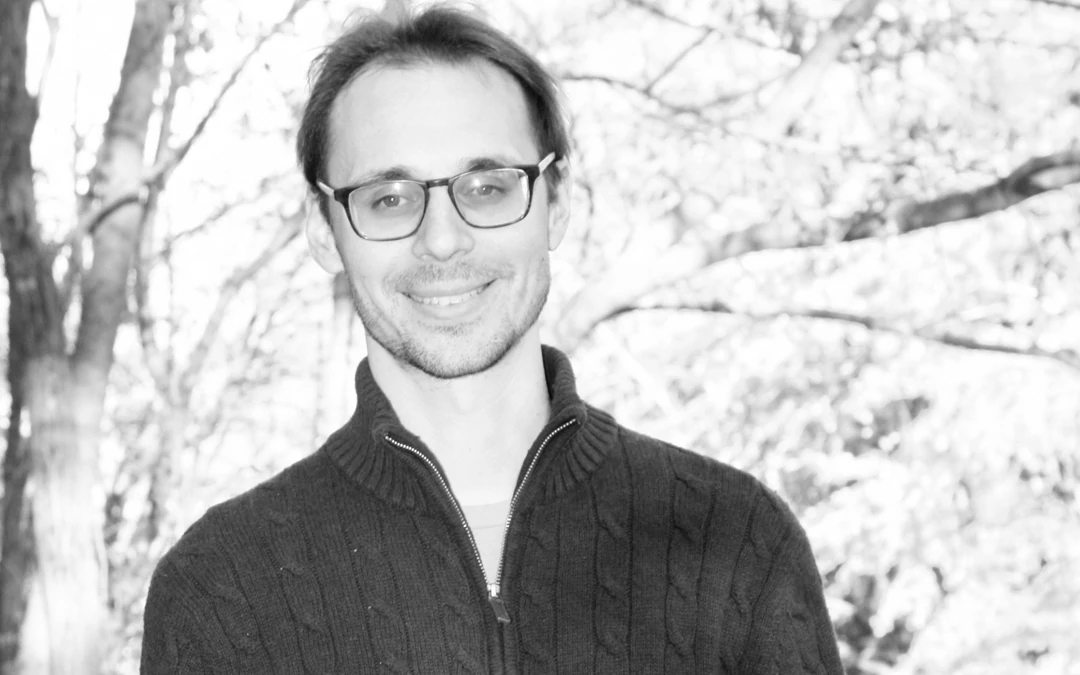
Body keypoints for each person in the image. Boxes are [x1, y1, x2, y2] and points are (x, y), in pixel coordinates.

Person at [140, 5, 844, 674]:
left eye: (486, 187)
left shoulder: (739, 542)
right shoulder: (221, 587)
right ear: (324, 232)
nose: (442, 239)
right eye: (389, 198)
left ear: (557, 203)